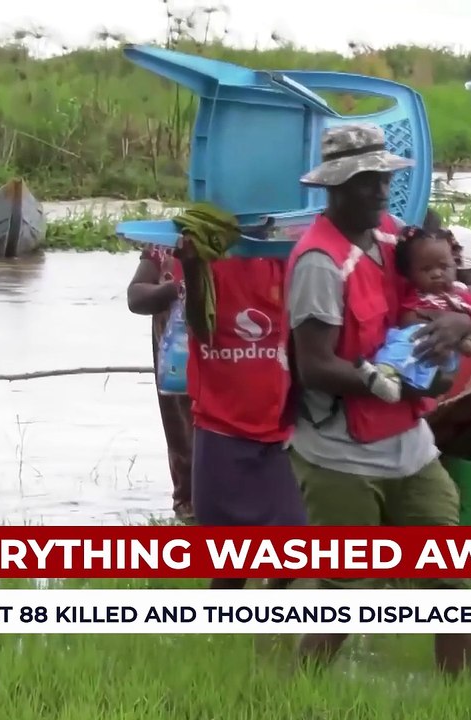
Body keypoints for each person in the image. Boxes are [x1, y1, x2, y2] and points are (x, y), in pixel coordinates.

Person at [286, 123, 471, 676]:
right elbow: (314, 365)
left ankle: (468, 702)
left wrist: (459, 320)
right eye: (365, 181)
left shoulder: (393, 239)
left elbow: (450, 292)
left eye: (382, 178)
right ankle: (292, 695)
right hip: (340, 454)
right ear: (335, 187)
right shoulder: (319, 262)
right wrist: (380, 382)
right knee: (345, 592)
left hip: (408, 445)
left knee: (454, 583)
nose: (380, 190)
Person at [172, 202, 308, 591]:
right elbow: (200, 325)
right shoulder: (203, 256)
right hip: (221, 425)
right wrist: (194, 266)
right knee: (229, 558)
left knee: (293, 543)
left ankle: (268, 603)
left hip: (279, 427)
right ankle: (223, 621)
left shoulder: (288, 257)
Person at [360, 225, 471, 402]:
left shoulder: (462, 297)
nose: (436, 274)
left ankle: (390, 374)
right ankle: (388, 373)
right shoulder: (415, 296)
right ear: (409, 274)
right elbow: (406, 318)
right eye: (426, 269)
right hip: (421, 345)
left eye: (444, 266)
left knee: (410, 344)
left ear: (455, 263)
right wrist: (429, 323)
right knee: (401, 337)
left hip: (448, 352)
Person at [126, 246, 194, 524]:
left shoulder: (255, 242)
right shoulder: (163, 245)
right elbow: (135, 297)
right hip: (178, 367)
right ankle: (189, 510)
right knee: (184, 441)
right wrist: (175, 289)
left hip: (236, 361)